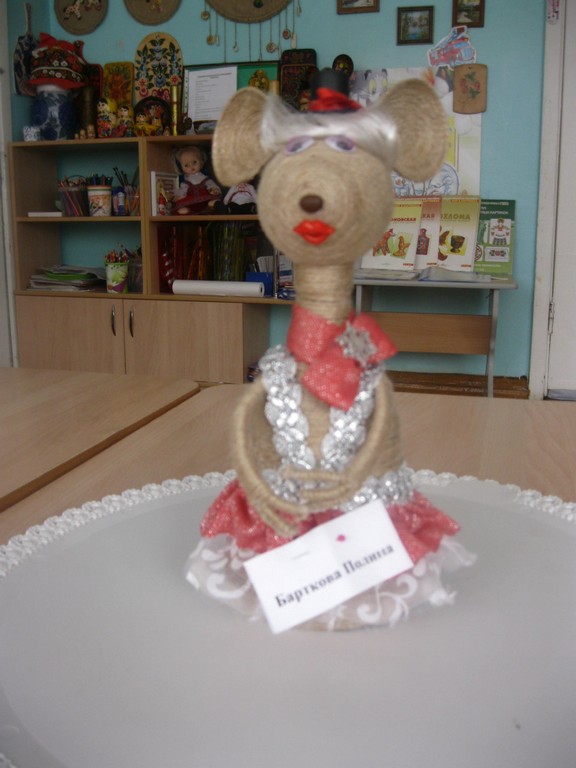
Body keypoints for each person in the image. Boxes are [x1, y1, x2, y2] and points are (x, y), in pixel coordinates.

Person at [172, 146, 221, 214]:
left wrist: (213, 189)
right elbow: (182, 191)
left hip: (205, 200)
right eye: (186, 165)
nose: (191, 167)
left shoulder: (205, 179)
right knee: (181, 207)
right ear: (181, 167)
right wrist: (179, 196)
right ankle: (188, 210)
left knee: (212, 202)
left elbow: (211, 184)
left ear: (201, 161)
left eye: (194, 162)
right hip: (191, 202)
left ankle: (209, 207)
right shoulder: (186, 183)